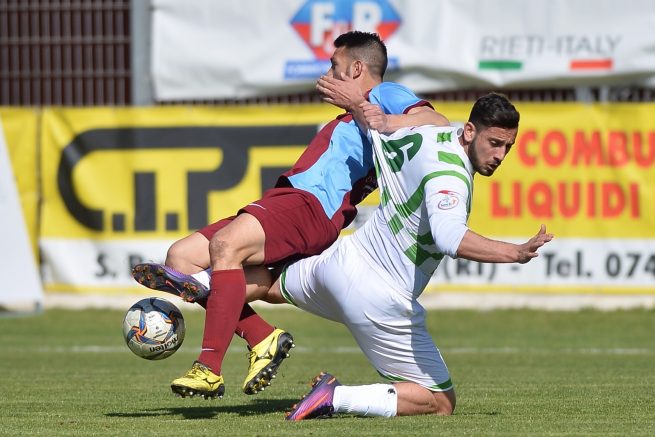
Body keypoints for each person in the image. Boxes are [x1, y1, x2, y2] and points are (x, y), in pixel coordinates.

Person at [132, 30, 449, 399]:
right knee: (182, 259)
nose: (328, 74)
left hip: (311, 205)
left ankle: (209, 368)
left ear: (357, 68)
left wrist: (369, 111)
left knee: (225, 247)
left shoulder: (384, 94)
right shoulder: (359, 112)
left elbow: (437, 122)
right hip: (291, 200)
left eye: (334, 65)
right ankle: (261, 336)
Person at [253, 93, 553, 419]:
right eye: (494, 143)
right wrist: (515, 252)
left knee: (267, 285)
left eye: (508, 147)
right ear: (469, 131)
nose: (500, 155)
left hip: (341, 262)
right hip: (379, 297)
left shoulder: (428, 136)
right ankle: (335, 397)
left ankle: (212, 277)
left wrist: (354, 101)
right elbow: (450, 237)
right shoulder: (451, 177)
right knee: (439, 401)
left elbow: (378, 129)